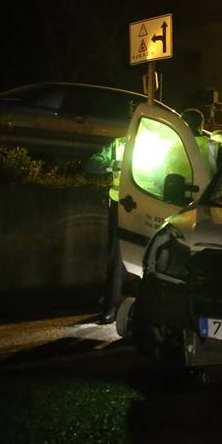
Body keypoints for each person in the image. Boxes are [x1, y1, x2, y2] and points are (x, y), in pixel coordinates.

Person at [85, 135, 127, 324]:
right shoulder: (119, 143)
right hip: (122, 203)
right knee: (116, 257)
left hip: (152, 205)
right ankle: (112, 306)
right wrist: (113, 164)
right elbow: (92, 164)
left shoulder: (163, 142)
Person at [180, 108, 219, 176]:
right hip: (206, 186)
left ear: (181, 123)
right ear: (201, 124)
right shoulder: (214, 146)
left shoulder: (173, 143)